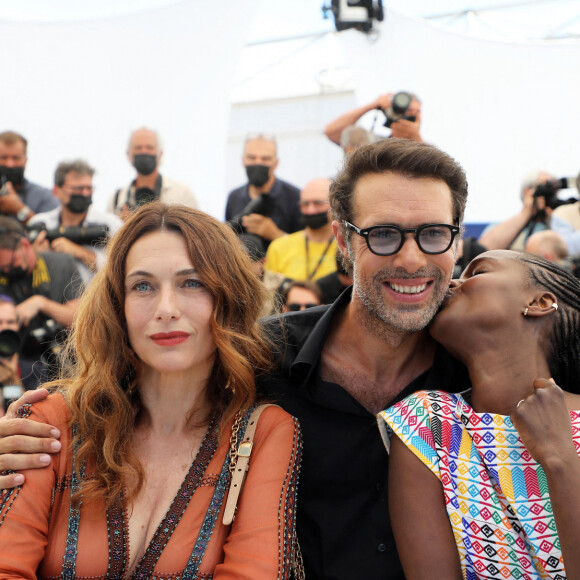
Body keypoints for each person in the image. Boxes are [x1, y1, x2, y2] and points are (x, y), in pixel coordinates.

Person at [0, 138, 469, 580]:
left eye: (433, 233)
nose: (410, 258)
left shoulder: (486, 371)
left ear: (458, 240)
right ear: (343, 242)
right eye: (383, 234)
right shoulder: (266, 359)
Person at [0, 202, 301, 578]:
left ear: (228, 298)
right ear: (117, 306)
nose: (166, 308)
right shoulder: (49, 423)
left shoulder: (264, 434)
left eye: (192, 282)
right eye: (142, 286)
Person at [379, 250, 580, 578]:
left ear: (540, 302)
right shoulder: (429, 422)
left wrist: (560, 460)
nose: (453, 283)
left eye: (478, 271)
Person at [0, 216, 82, 389]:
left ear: (25, 245)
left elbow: (79, 317)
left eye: (12, 263)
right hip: (14, 363)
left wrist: (40, 303)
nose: (7, 270)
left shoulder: (61, 263)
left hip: (62, 362)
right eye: (2, 268)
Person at [29, 159, 122, 284]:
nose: (85, 193)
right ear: (56, 191)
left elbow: (121, 268)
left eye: (89, 188)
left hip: (94, 300)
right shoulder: (39, 223)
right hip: (51, 298)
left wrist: (79, 252)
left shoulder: (111, 224)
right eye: (78, 188)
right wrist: (37, 256)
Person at [225, 134, 301, 246]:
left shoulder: (295, 197)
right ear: (243, 160)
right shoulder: (234, 197)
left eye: (265, 159)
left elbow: (306, 246)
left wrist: (276, 234)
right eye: (251, 157)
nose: (258, 163)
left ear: (276, 163)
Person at [109, 127, 198, 220]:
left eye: (149, 147)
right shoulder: (117, 199)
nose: (144, 151)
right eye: (138, 148)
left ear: (160, 154)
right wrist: (123, 227)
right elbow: (109, 233)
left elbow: (195, 231)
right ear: (129, 154)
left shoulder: (182, 193)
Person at [264, 178, 337, 282]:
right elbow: (270, 295)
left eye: (318, 203)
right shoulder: (279, 247)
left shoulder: (346, 246)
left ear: (335, 205)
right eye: (305, 204)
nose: (310, 210)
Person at [478, 170, 554, 251]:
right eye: (544, 188)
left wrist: (553, 219)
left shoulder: (558, 225)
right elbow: (482, 250)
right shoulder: (505, 226)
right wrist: (526, 212)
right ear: (527, 192)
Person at [0, 131, 59, 224]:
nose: (10, 164)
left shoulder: (43, 196)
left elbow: (54, 230)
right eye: (3, 158)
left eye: (16, 158)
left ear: (25, 160)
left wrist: (21, 211)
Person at [324, 92, 423, 147]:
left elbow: (434, 167)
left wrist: (416, 139)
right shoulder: (372, 143)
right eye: (407, 110)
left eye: (415, 112)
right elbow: (332, 132)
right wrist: (373, 105)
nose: (408, 116)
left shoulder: (426, 150)